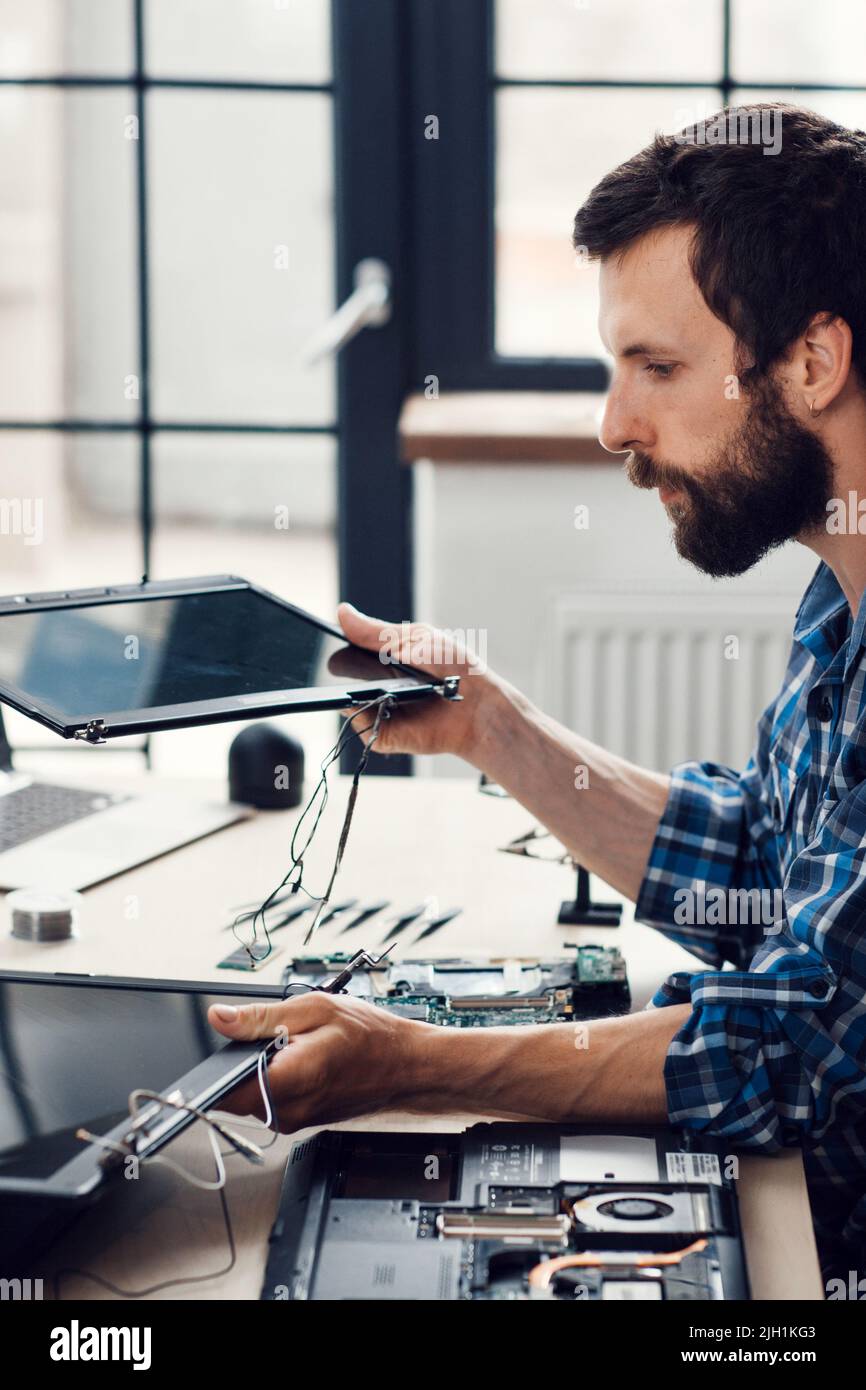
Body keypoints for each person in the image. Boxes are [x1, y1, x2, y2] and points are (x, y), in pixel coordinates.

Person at [211, 103, 866, 1288]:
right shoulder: (842, 586)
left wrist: (412, 1061)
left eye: (656, 369)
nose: (615, 425)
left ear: (811, 362)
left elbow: (797, 1050)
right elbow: (763, 872)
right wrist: (489, 726)